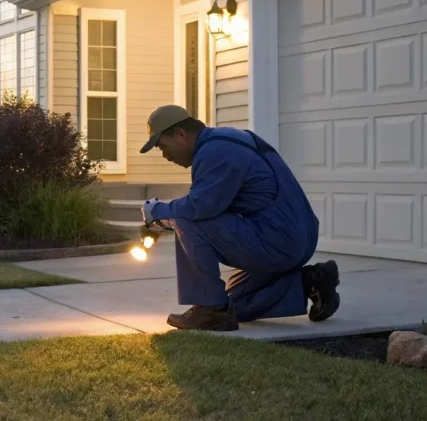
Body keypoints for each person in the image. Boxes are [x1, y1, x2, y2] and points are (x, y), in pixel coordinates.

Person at [139, 105, 340, 332]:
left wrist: (157, 212)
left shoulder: (214, 153)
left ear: (181, 134)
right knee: (234, 307)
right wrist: (162, 220)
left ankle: (209, 310)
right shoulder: (229, 139)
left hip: (279, 239)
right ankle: (312, 282)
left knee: (185, 218)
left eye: (163, 146)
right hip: (297, 236)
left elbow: (199, 208)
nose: (165, 155)